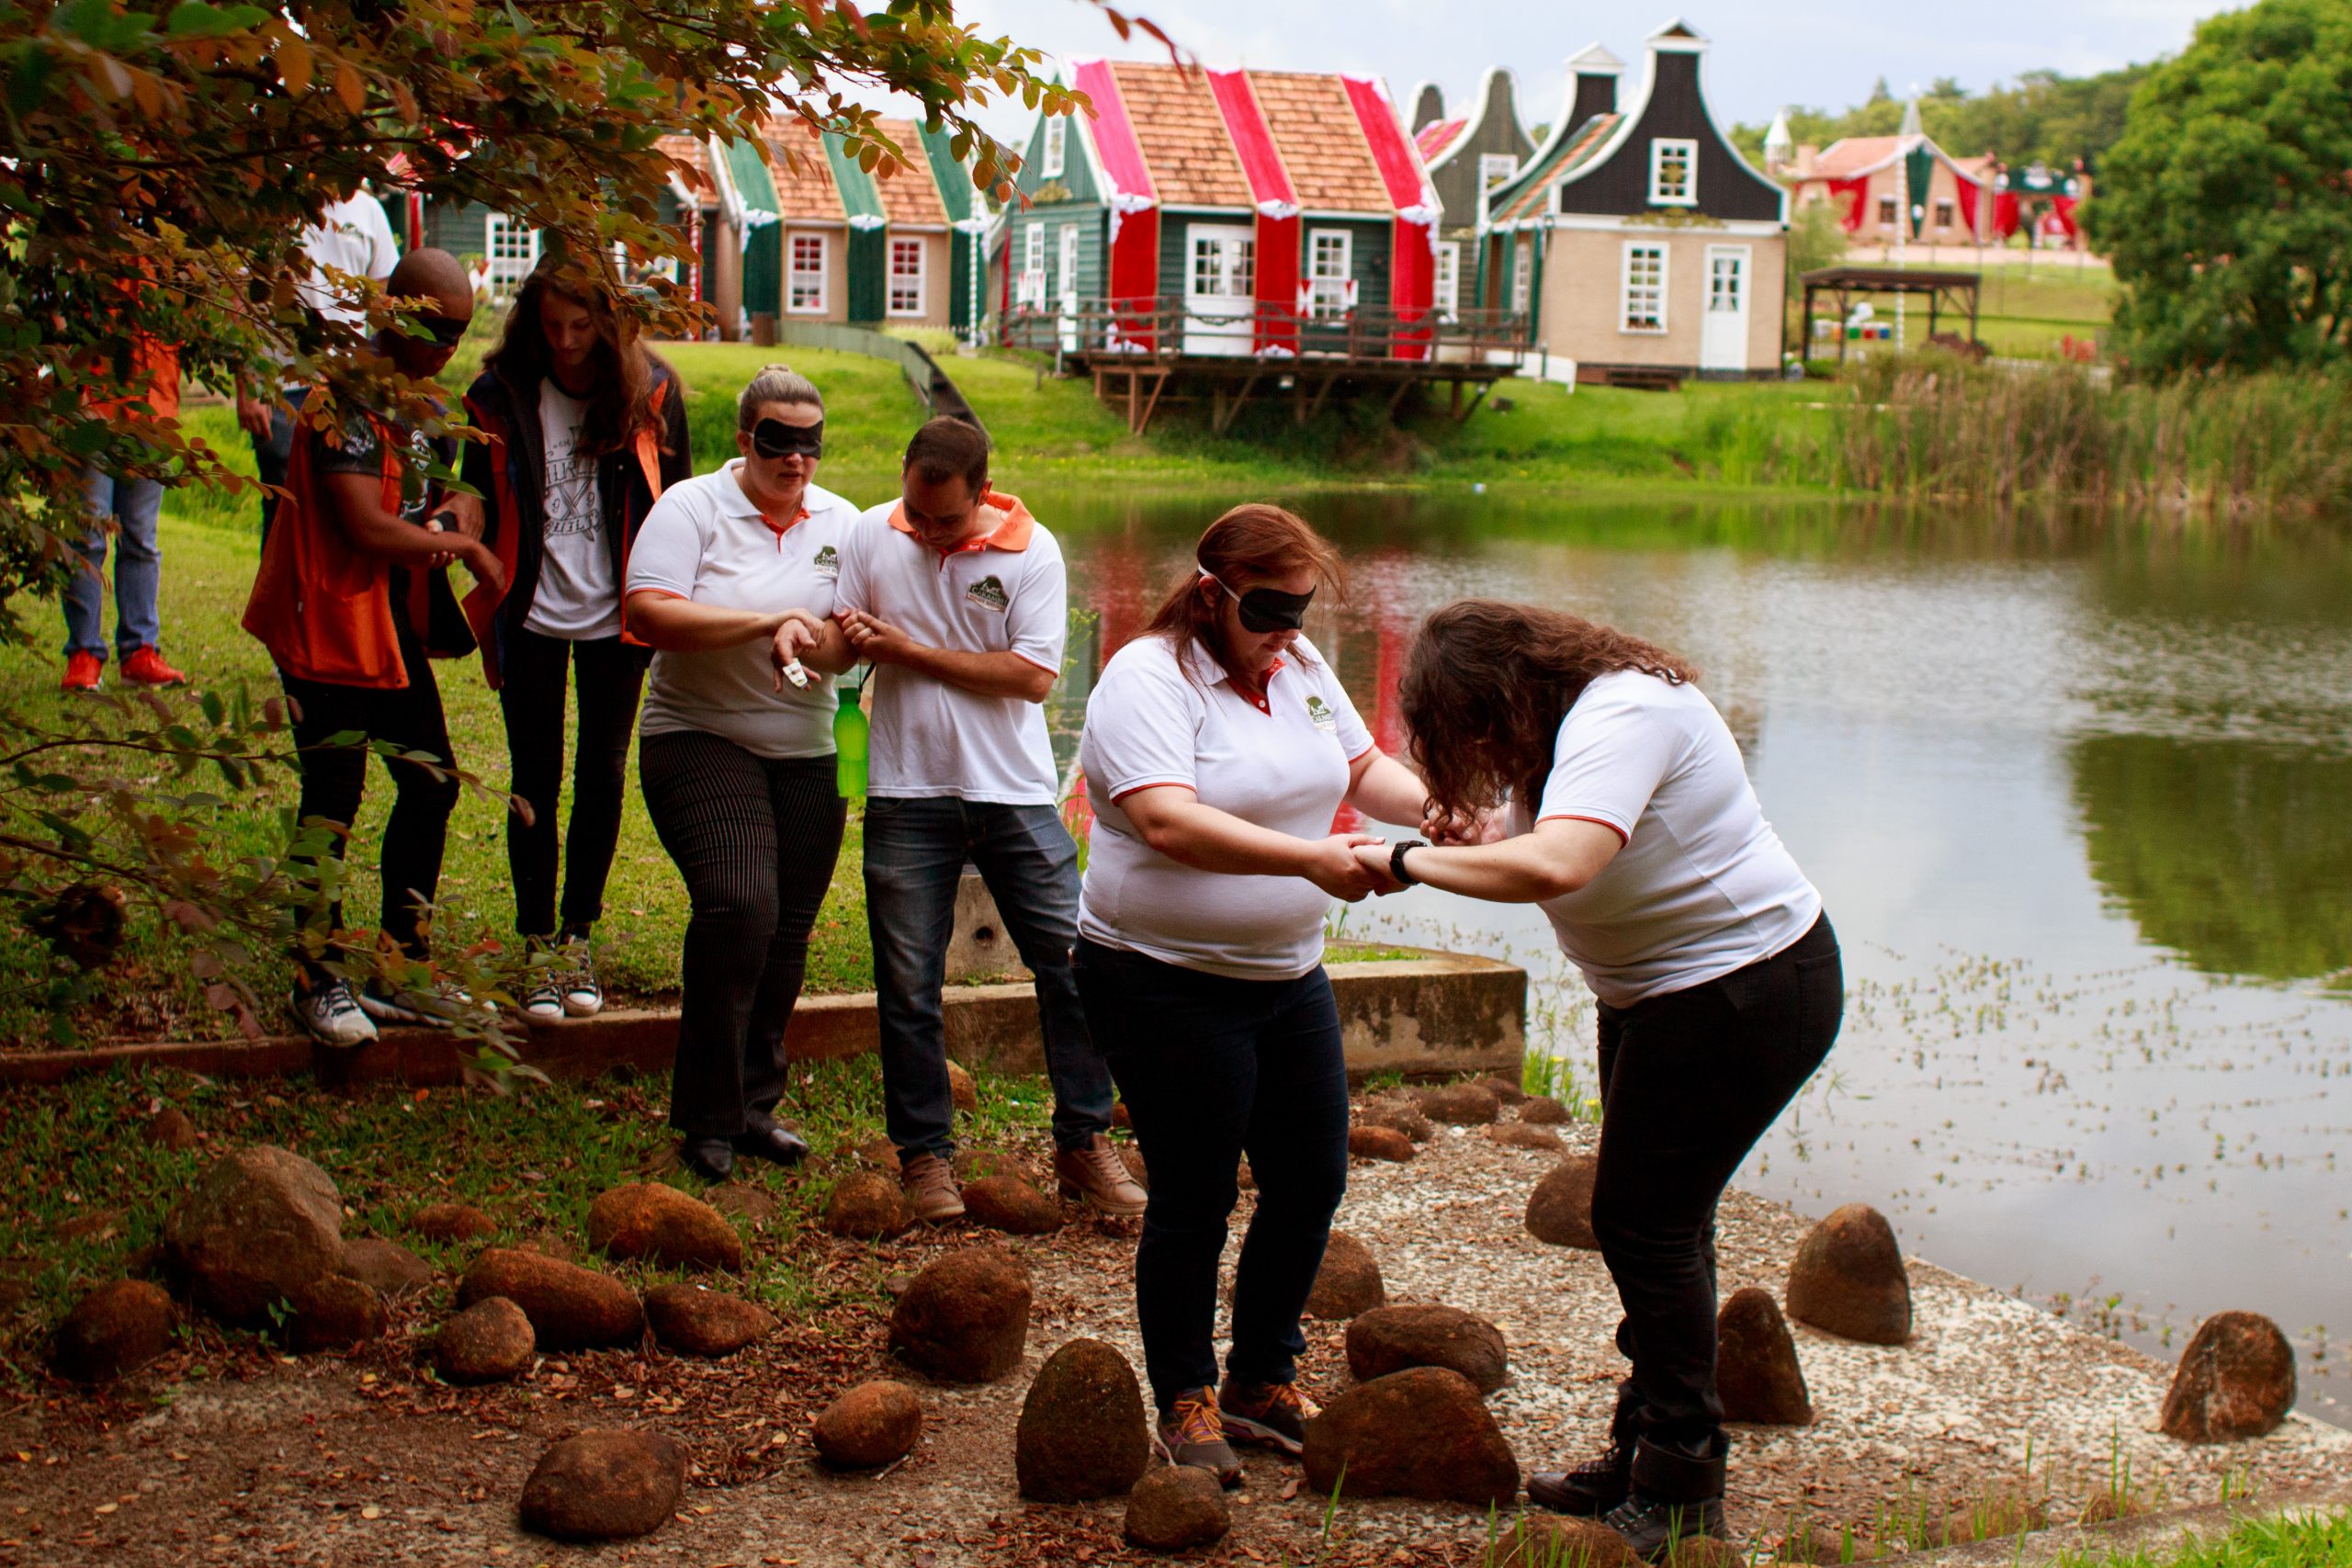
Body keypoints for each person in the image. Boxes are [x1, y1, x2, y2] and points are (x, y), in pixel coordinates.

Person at [1363, 600, 1841, 1556]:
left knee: (1644, 1221)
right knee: (1658, 1222)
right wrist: (1476, 830)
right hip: (1663, 995)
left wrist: (1405, 859)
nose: (1477, 750)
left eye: (1470, 729)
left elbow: (1566, 861)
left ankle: (1677, 1484)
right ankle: (1647, 1450)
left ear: (1503, 697)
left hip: (1742, 990)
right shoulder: (1574, 722)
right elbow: (1540, 830)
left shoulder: (1623, 714)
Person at [1071, 504, 1430, 1485]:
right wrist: (1315, 860)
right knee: (1192, 1195)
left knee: (1311, 1178)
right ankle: (1183, 1396)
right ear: (1211, 592)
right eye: (1271, 607)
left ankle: (1260, 1380)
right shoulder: (1146, 677)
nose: (1290, 628)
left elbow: (1360, 768)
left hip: (1283, 976)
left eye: (1302, 609)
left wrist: (1441, 812)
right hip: (1161, 977)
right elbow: (1167, 822)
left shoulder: (1300, 669)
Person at [833, 417, 1144, 1224]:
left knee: (1077, 964)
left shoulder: (1030, 551)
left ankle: (1082, 1140)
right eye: (919, 514)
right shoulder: (872, 531)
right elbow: (843, 641)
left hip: (1014, 792)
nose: (931, 533)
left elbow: (1033, 676)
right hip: (906, 791)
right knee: (907, 985)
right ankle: (925, 1159)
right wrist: (821, 639)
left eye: (948, 519)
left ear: (982, 492)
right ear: (905, 475)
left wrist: (904, 650)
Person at [241, 248, 505, 1046]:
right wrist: (464, 552)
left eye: (459, 330)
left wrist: (463, 512)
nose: (448, 345)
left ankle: (402, 966)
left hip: (384, 626)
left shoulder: (422, 402)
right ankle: (313, 973)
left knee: (429, 784)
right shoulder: (346, 402)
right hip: (322, 624)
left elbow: (455, 485)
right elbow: (362, 523)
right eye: (434, 328)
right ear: (393, 311)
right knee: (332, 798)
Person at [623, 365, 859, 1182]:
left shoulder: (844, 522)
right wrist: (770, 620)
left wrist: (821, 639)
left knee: (788, 928)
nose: (796, 460)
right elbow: (647, 612)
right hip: (698, 732)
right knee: (738, 901)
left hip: (808, 747)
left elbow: (846, 641)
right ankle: (706, 1115)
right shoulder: (691, 507)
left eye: (810, 444)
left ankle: (755, 1105)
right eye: (777, 441)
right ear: (743, 438)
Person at [457, 255, 692, 1019]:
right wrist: (463, 533)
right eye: (552, 325)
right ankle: (534, 942)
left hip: (618, 615)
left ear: (609, 322)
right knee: (535, 776)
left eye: (581, 326)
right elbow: (469, 491)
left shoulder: (651, 391)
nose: (564, 342)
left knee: (602, 774)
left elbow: (683, 505)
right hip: (528, 610)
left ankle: (576, 935)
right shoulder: (498, 393)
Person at [238, 187, 401, 540]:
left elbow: (386, 300)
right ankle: (280, 596)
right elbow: (241, 298)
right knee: (283, 515)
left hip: (347, 389)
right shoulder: (276, 203)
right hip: (280, 390)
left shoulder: (369, 210)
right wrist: (248, 386)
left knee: (346, 511)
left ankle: (329, 597)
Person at [65, 329, 187, 694]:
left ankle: (139, 651)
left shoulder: (177, 272)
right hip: (92, 405)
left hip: (154, 408)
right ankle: (83, 653)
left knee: (141, 538)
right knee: (88, 535)